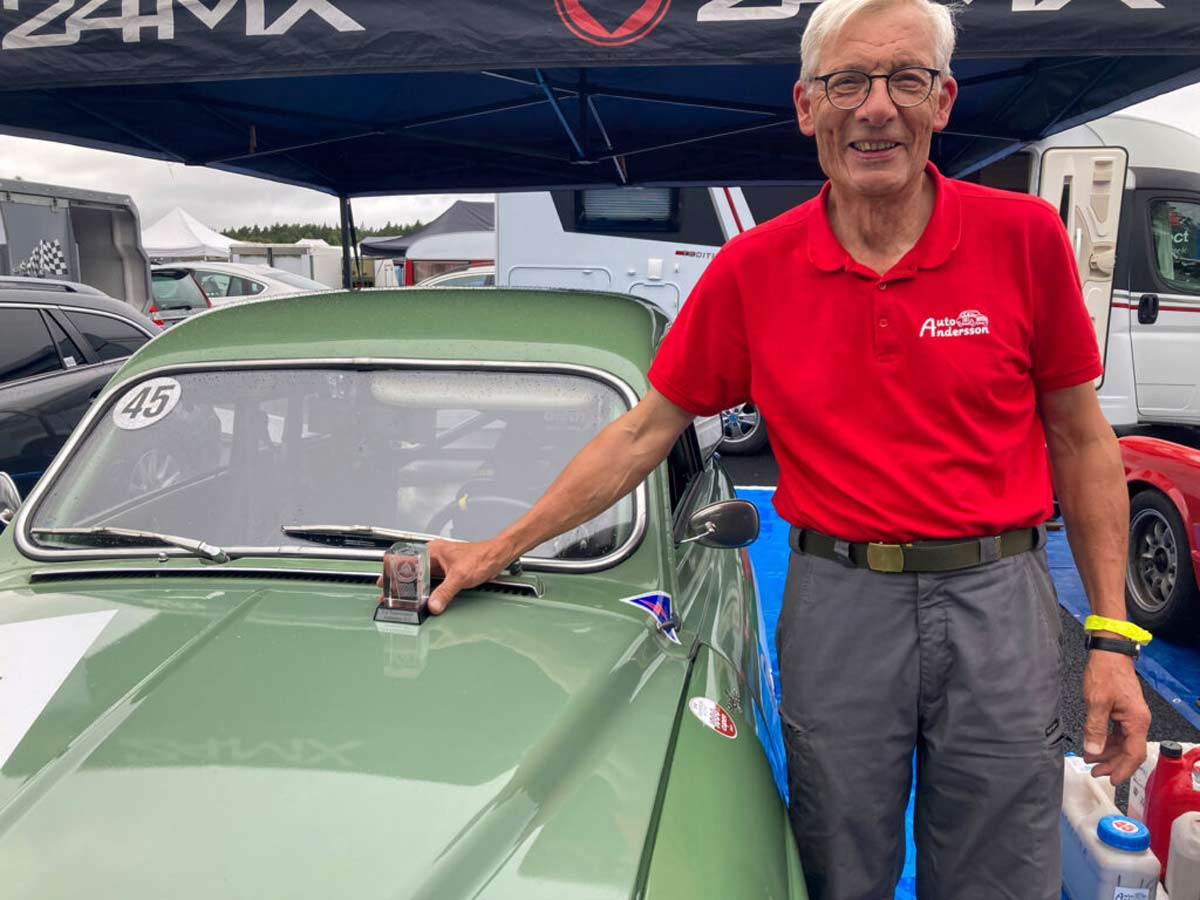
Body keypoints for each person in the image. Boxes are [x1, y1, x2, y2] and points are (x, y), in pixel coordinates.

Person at [423, 0, 1151, 897]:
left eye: (905, 80)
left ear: (944, 100)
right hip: (839, 606)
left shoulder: (1024, 238)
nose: (876, 107)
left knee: (1002, 872)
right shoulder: (753, 270)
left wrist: (1112, 639)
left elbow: (1083, 441)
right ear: (808, 106)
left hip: (998, 599)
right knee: (833, 868)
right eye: (848, 81)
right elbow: (645, 429)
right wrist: (499, 547)